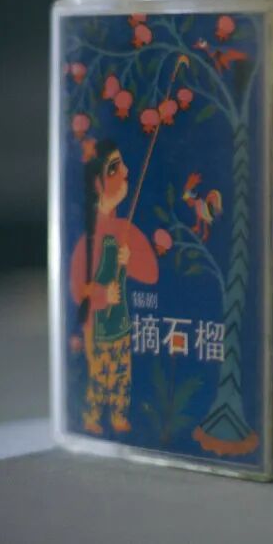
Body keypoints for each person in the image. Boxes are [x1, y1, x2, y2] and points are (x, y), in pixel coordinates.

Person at [70, 139, 158, 435]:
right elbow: (78, 289)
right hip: (97, 327)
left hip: (121, 324)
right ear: (98, 184)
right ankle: (92, 417)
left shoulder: (124, 231)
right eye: (115, 168)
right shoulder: (88, 238)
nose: (126, 172)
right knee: (99, 376)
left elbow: (151, 274)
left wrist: (131, 259)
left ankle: (120, 416)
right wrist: (102, 294)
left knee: (121, 374)